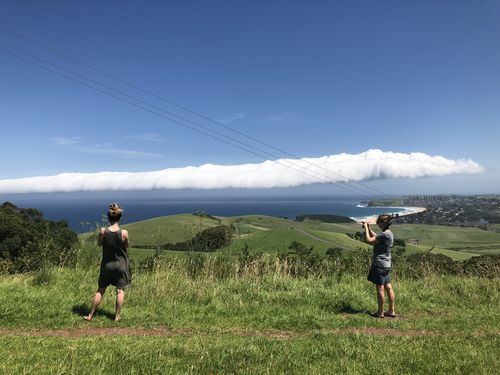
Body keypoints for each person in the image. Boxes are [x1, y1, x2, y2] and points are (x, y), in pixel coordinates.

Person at [84, 203, 132, 321]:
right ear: (119, 218)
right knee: (120, 291)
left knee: (100, 290)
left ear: (109, 218)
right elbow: (127, 246)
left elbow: (100, 244)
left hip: (107, 265)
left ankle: (90, 315)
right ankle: (116, 316)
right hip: (121, 265)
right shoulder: (124, 233)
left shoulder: (103, 231)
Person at [362, 214, 396, 318]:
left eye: (379, 221)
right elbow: (376, 236)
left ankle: (380, 312)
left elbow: (369, 240)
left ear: (384, 222)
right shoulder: (389, 233)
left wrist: (366, 230)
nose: (377, 223)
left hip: (379, 264)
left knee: (380, 288)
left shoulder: (384, 235)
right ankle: (391, 310)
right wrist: (368, 228)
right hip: (386, 264)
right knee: (388, 287)